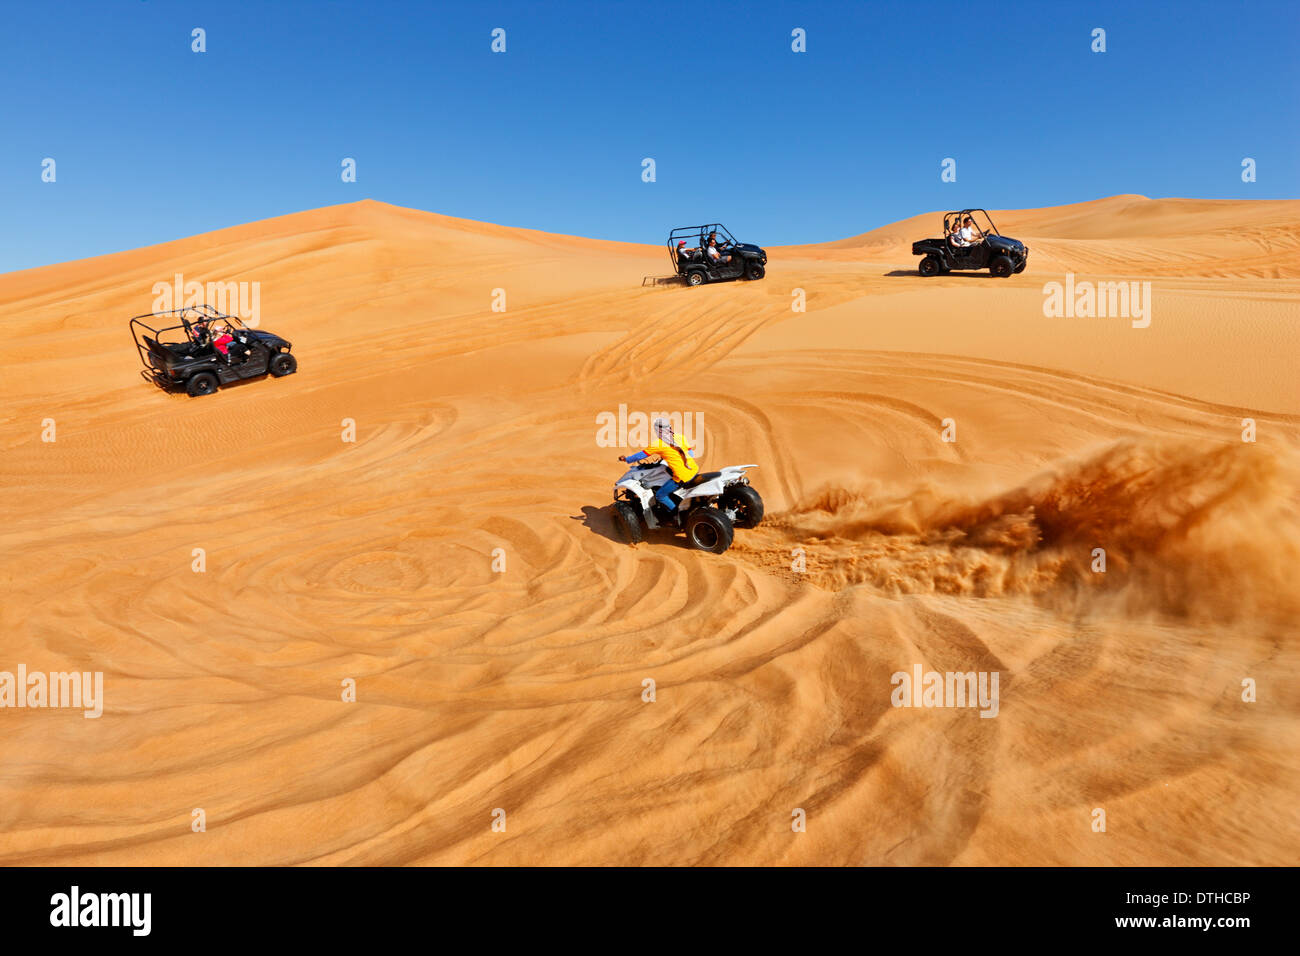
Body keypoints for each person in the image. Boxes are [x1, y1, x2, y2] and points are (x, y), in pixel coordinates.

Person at [618, 418, 699, 516]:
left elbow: (640, 456)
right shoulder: (680, 437)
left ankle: (678, 515)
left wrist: (627, 459)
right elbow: (691, 453)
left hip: (682, 477)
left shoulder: (658, 444)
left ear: (658, 430)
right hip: (694, 471)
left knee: (660, 495)